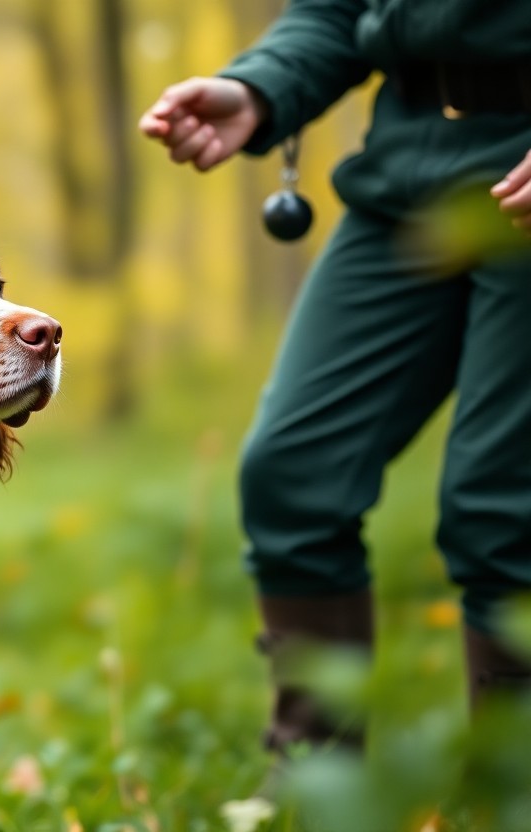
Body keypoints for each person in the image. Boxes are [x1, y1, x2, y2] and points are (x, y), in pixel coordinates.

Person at [139, 0, 531, 770]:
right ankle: (320, 786)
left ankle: (511, 791)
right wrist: (257, 88)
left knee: (504, 508)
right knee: (293, 474)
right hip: (407, 168)